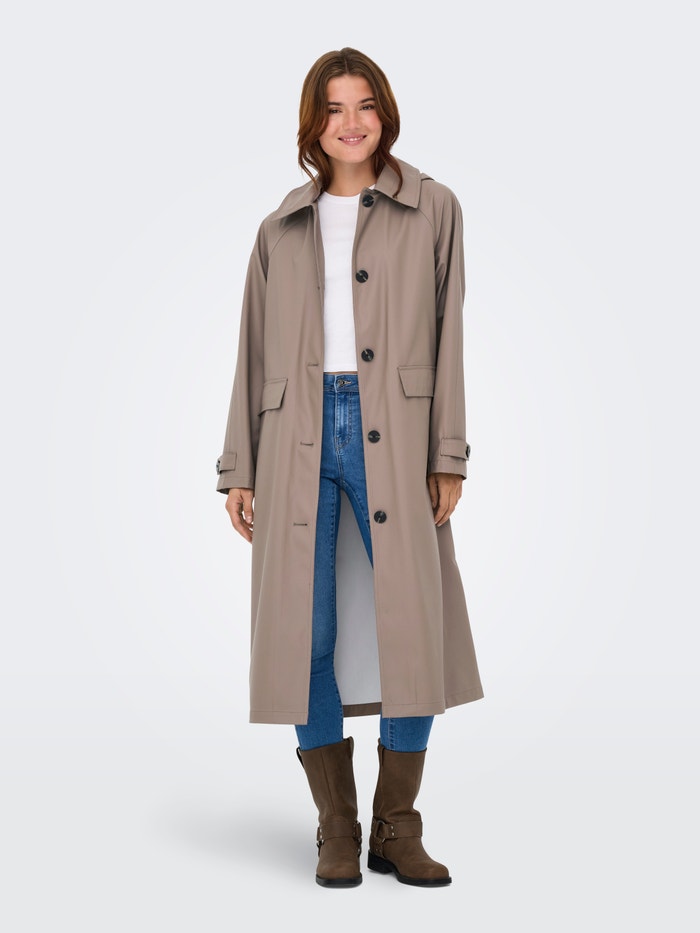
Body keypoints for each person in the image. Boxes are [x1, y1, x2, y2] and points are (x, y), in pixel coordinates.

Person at [215, 47, 484, 888]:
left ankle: (397, 827)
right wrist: (239, 465)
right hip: (294, 434)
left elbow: (450, 336)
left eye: (364, 104)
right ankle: (337, 825)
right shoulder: (280, 226)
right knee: (306, 634)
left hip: (394, 433)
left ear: (385, 113)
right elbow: (252, 349)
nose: (351, 122)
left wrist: (447, 451)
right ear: (313, 124)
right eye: (333, 108)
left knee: (413, 629)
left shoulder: (432, 207)